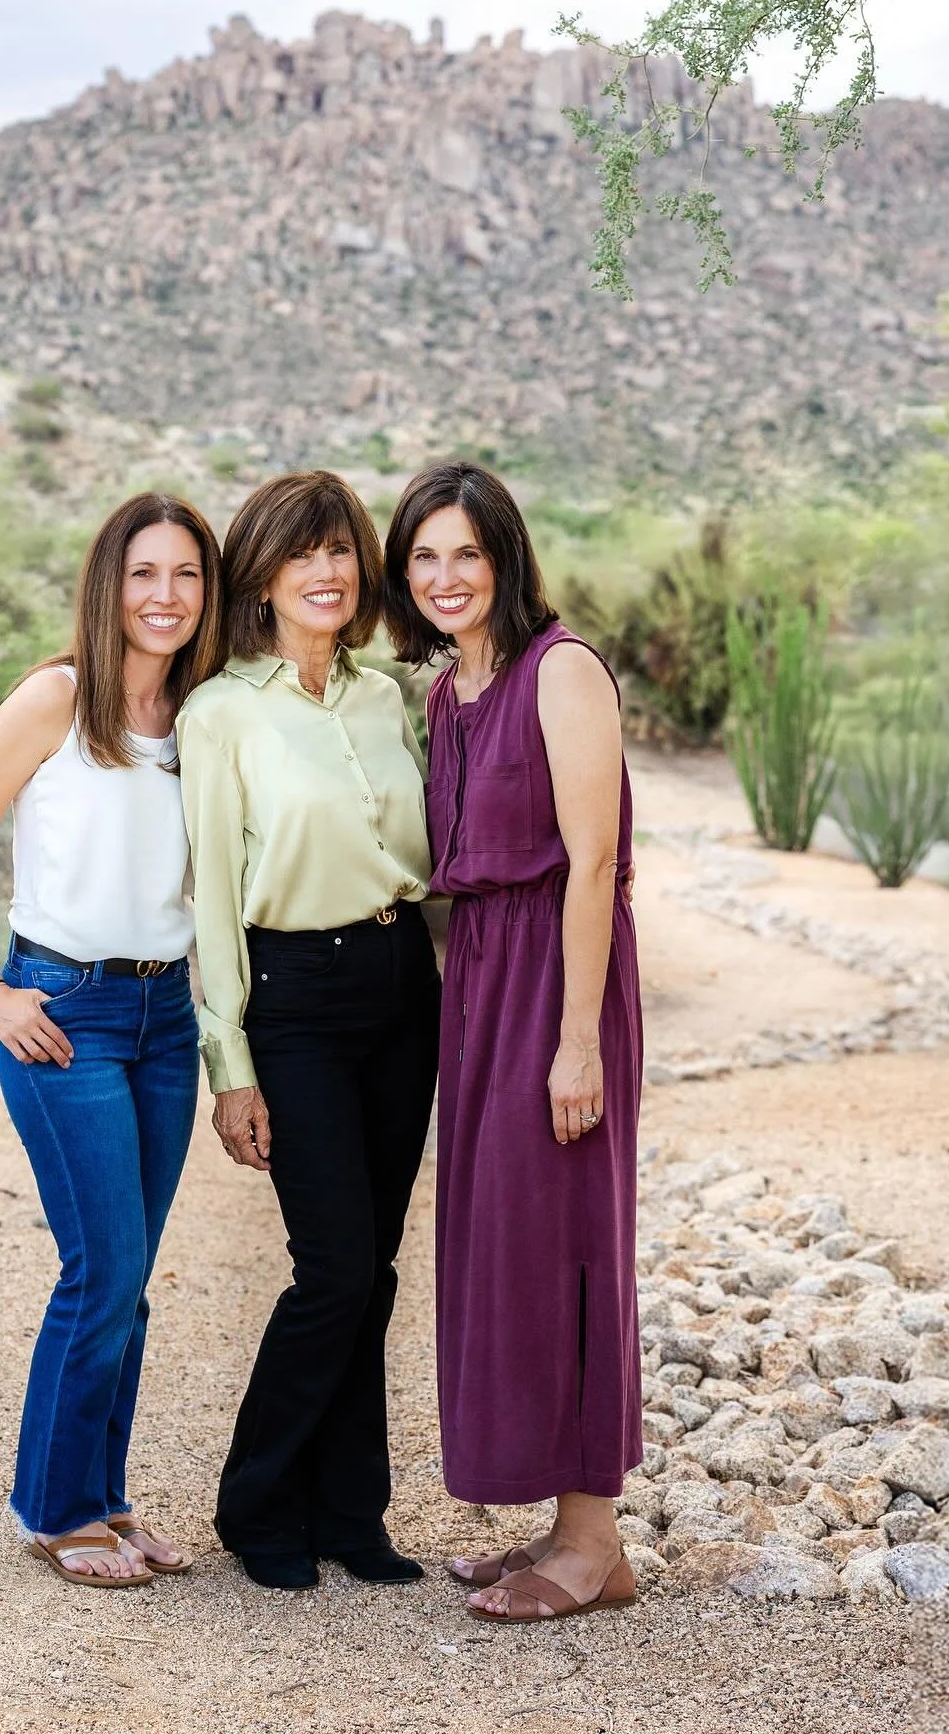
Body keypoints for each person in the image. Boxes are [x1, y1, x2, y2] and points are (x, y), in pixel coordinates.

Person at [0, 493, 226, 1590]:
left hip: (163, 1021)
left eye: (186, 575)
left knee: (131, 1276)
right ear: (110, 584)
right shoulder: (56, 699)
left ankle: (104, 1497)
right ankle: (54, 1509)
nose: (165, 596)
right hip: (62, 1012)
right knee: (100, 1268)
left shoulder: (203, 718)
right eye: (144, 573)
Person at [382, 461, 644, 1625]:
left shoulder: (563, 671)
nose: (445, 578)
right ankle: (561, 1525)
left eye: (466, 555)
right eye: (423, 558)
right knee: (506, 1244)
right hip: (480, 982)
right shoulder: (446, 695)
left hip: (558, 981)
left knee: (572, 1234)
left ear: (506, 560)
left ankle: (594, 1543)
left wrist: (575, 1041)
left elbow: (593, 864)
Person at [177, 471, 440, 1592]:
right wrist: (229, 1067)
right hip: (295, 993)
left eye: (341, 552)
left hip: (401, 980)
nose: (326, 573)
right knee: (331, 1265)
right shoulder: (222, 710)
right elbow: (210, 902)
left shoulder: (390, 697)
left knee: (372, 1269)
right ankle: (256, 1503)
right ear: (263, 577)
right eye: (301, 556)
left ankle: (349, 1509)